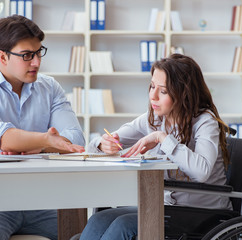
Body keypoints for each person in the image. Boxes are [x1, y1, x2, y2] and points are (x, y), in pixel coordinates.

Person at [0, 15, 85, 240]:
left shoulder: (50, 87)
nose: (36, 62)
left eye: (39, 52)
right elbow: (0, 137)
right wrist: (47, 141)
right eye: (27, 55)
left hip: (40, 199)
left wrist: (40, 147)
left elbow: (75, 140)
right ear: (2, 56)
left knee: (86, 230)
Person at [79, 54, 232, 240]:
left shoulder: (204, 122)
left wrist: (162, 138)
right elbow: (101, 143)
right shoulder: (154, 119)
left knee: (123, 225)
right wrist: (103, 144)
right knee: (99, 219)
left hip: (203, 214)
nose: (153, 96)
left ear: (183, 93)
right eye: (152, 86)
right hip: (167, 208)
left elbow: (202, 171)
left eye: (163, 91)